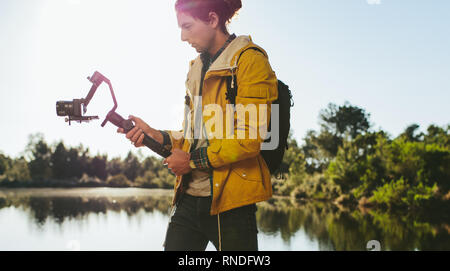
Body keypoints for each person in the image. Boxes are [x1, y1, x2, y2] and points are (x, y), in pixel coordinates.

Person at [118, 0, 278, 251]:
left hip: (232, 205)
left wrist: (191, 161)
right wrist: (154, 134)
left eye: (188, 26)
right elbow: (192, 137)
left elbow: (249, 140)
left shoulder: (250, 61)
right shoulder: (195, 69)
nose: (182, 37)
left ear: (213, 20)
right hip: (188, 199)